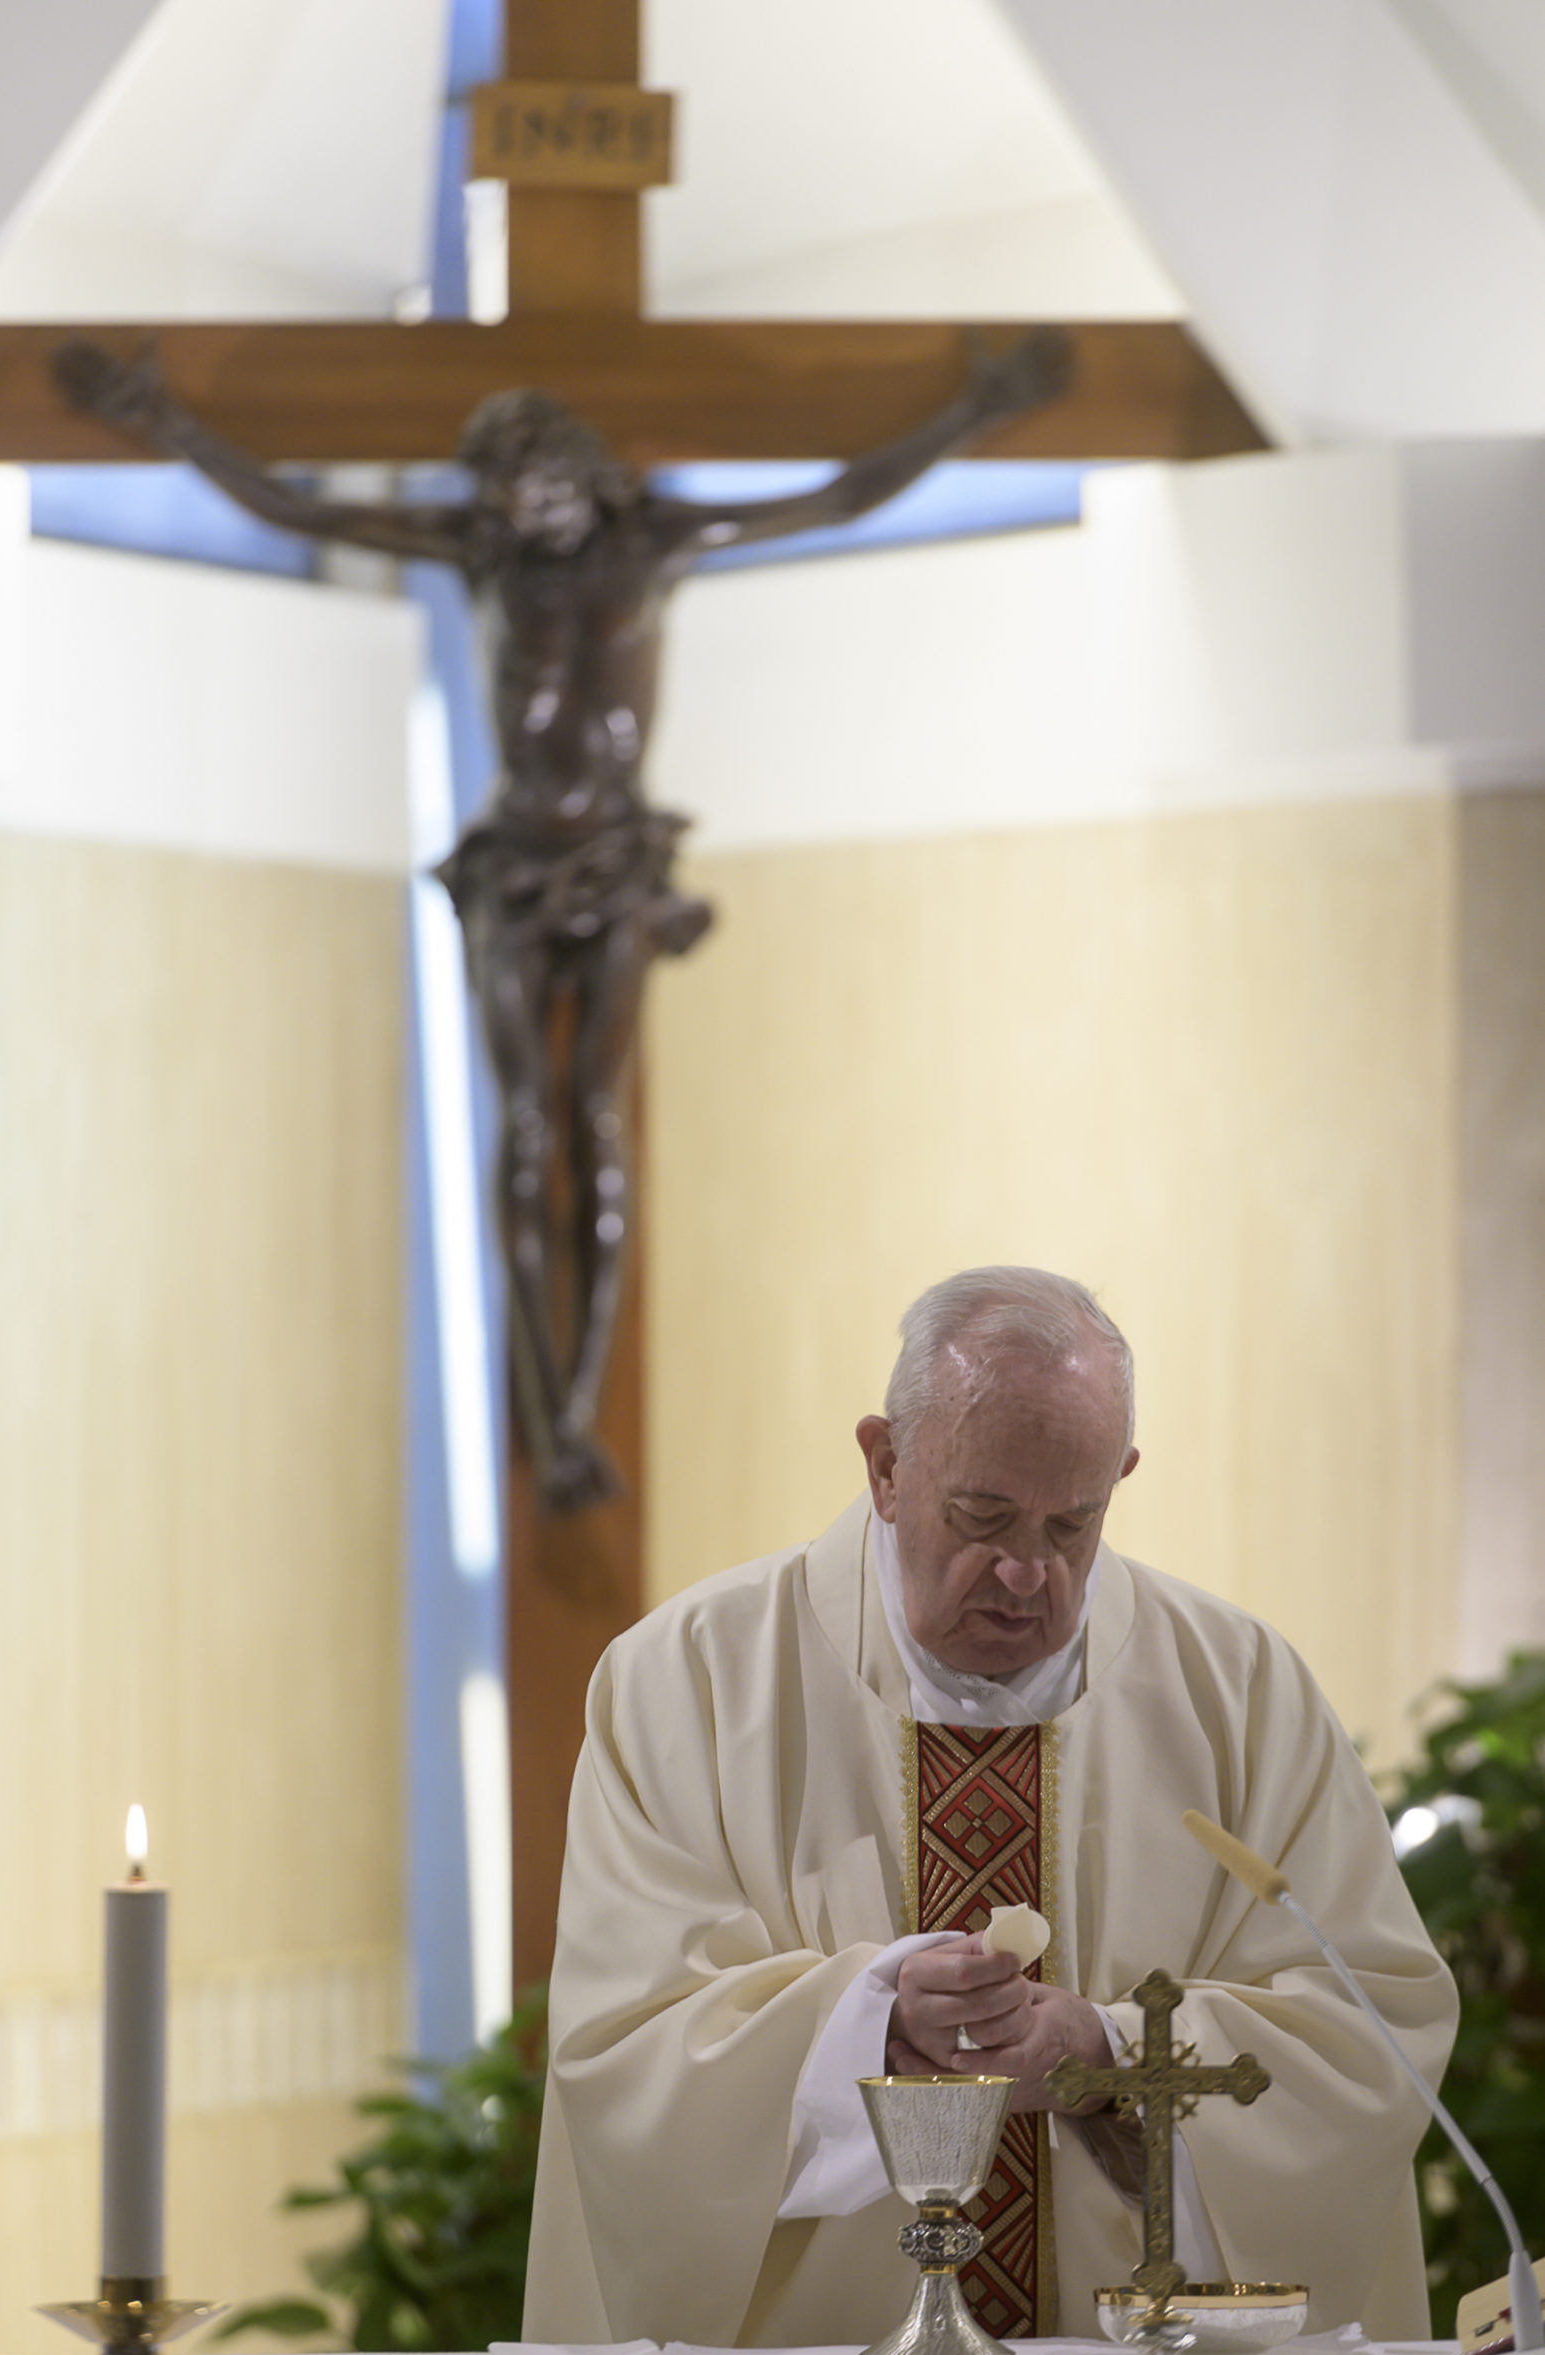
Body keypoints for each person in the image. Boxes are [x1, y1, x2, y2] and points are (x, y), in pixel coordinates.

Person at [54, 337, 1066, 1508]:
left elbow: (839, 497)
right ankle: (553, 1408)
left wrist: (975, 412)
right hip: (515, 867)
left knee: (596, 1118)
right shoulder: (483, 553)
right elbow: (300, 509)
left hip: (619, 863)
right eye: (501, 494)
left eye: (533, 488)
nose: (517, 511)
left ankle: (578, 1397)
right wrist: (164, 421)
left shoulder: (657, 543)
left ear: (579, 472)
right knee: (527, 1129)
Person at [522, 1266, 1457, 2347]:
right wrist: (877, 2024)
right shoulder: (687, 1684)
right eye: (983, 1516)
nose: (1026, 1574)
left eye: (1072, 1525)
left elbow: (1369, 2030)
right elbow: (628, 2046)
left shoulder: (1242, 1692)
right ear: (884, 1465)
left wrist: (1108, 2056)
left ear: (1120, 1479)